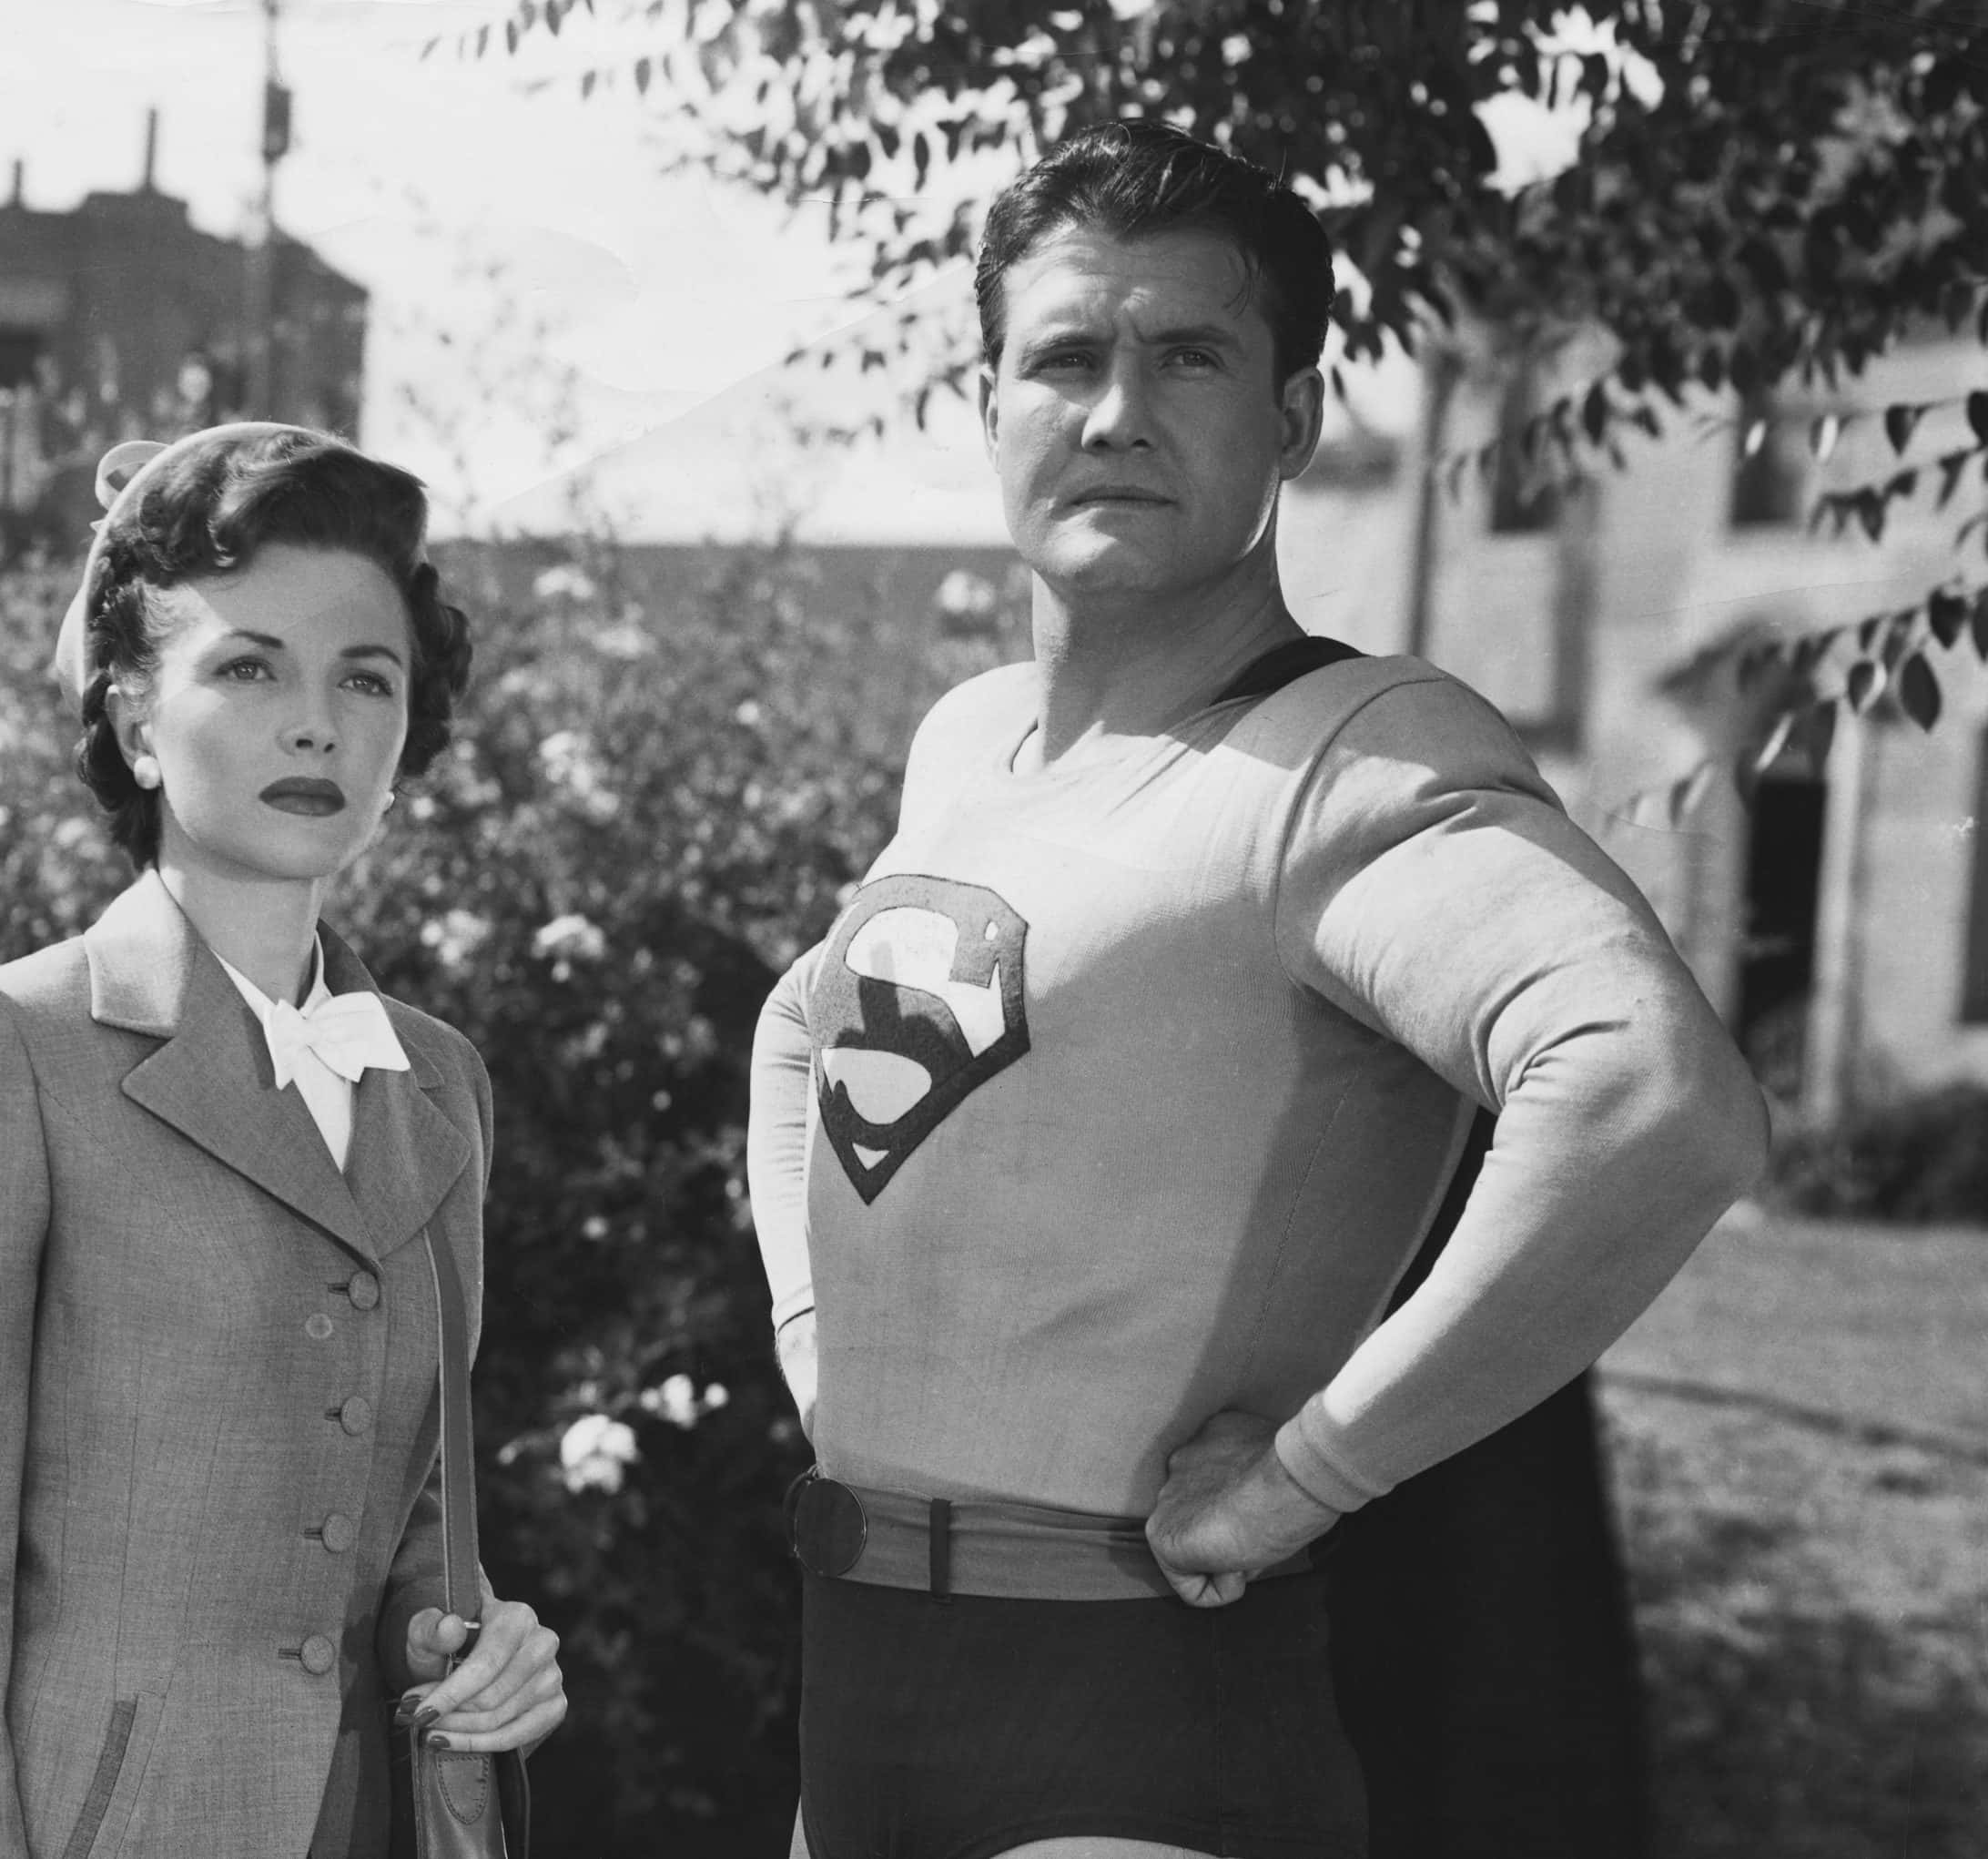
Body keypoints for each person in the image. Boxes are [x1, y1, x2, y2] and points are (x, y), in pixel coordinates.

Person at [746, 119, 1769, 1859]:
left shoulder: (1351, 759)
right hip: (861, 1701)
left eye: (1188, 357)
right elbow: (801, 1025)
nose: (1115, 412)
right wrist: (813, 1337)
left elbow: (1650, 1092)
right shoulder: (974, 743)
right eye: (1064, 357)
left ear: (1291, 419)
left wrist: (1309, 1475)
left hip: (1142, 1729)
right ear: (986, 403)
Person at [0, 422, 564, 1859]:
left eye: (366, 676)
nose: (317, 722)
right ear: (132, 719)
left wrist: (481, 1644)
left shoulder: (438, 1081)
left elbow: (401, 1518)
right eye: (249, 668)